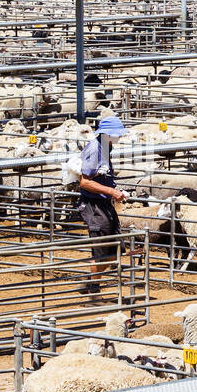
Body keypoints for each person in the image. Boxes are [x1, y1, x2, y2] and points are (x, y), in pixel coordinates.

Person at [77, 114, 130, 296]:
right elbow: (85, 182)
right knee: (101, 248)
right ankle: (93, 288)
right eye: (117, 134)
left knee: (114, 248)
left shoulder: (106, 147)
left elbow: (102, 176)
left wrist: (114, 188)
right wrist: (112, 192)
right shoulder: (95, 149)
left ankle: (91, 282)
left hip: (103, 202)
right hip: (94, 205)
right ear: (107, 133)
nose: (119, 137)